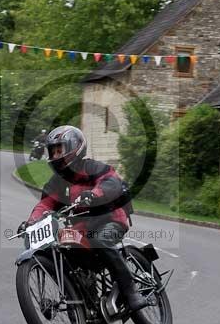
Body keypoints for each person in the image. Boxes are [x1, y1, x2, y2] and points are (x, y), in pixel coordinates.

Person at [20, 125, 148, 311]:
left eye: (59, 150)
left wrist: (94, 194)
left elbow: (111, 182)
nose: (56, 156)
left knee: (100, 240)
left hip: (110, 220)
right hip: (81, 228)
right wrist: (31, 222)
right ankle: (83, 305)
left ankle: (131, 292)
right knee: (62, 250)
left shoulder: (93, 168)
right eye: (53, 152)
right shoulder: (56, 182)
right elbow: (45, 204)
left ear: (75, 147)